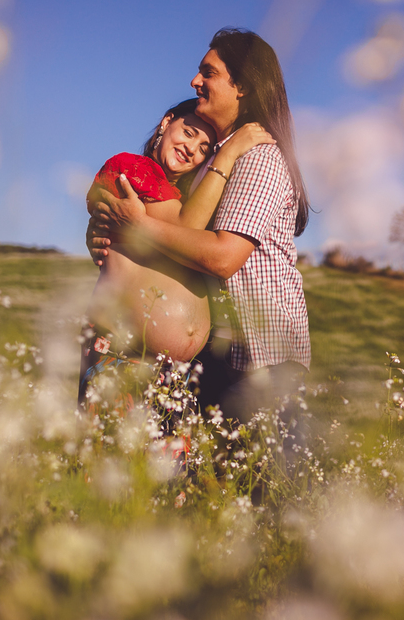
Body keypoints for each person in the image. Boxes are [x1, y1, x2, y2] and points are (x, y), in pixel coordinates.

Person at [89, 28, 312, 425]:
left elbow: (223, 257)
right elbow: (174, 233)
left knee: (265, 484)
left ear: (241, 85)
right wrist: (105, 231)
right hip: (212, 362)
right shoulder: (205, 165)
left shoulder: (256, 156)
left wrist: (135, 225)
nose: (195, 82)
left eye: (208, 73)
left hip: (262, 356)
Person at [80, 97, 273, 405]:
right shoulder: (134, 168)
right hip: (123, 352)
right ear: (167, 122)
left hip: (172, 370)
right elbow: (187, 228)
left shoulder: (177, 194)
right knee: (116, 449)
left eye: (204, 150)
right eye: (189, 133)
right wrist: (227, 154)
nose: (191, 149)